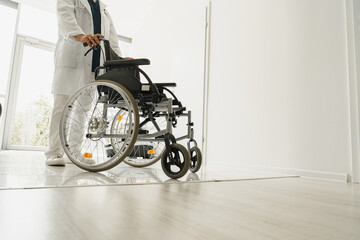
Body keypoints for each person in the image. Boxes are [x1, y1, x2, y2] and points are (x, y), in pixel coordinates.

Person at [45, 0, 122, 166]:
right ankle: (53, 152)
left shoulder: (104, 10)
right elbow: (65, 18)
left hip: (94, 65)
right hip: (72, 59)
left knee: (83, 110)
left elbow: (112, 38)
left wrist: (120, 59)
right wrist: (81, 36)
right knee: (62, 107)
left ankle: (74, 152)